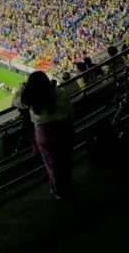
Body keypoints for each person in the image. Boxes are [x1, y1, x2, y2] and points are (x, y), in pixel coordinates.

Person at [14, 70, 74, 199]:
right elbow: (69, 108)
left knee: (51, 161)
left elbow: (15, 101)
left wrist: (22, 88)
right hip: (63, 127)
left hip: (43, 131)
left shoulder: (30, 97)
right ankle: (67, 185)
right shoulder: (57, 93)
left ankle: (58, 189)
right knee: (64, 158)